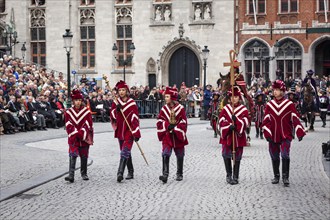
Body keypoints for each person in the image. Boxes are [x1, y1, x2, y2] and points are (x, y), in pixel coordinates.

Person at [262, 80, 306, 187]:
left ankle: (285, 176)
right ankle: (276, 175)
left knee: (285, 155)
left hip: (286, 134)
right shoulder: (269, 105)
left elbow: (295, 118)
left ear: (282, 91)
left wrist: (299, 131)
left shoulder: (289, 104)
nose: (275, 92)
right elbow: (266, 121)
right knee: (274, 156)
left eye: (277, 90)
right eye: (274, 90)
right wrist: (267, 134)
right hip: (273, 135)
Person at [110, 81, 141, 183]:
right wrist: (117, 110)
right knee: (126, 151)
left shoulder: (132, 103)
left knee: (125, 151)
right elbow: (112, 116)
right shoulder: (116, 102)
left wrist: (136, 132)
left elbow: (135, 118)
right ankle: (131, 171)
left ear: (127, 91)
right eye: (120, 90)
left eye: (123, 90)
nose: (121, 92)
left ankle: (120, 173)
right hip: (120, 131)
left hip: (129, 131)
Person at [218, 86, 249, 185]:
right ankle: (229, 174)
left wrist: (237, 122)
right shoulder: (226, 109)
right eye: (232, 96)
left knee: (238, 156)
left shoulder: (243, 109)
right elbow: (221, 121)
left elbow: (246, 122)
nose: (233, 98)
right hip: (228, 136)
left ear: (239, 97)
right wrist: (228, 127)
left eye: (236, 96)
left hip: (238, 136)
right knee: (226, 154)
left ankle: (236, 176)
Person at [157, 87, 188, 183]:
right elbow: (159, 120)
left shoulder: (180, 108)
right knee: (165, 153)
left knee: (180, 154)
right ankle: (165, 174)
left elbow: (183, 121)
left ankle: (179, 173)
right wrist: (167, 126)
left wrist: (176, 128)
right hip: (167, 135)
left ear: (172, 98)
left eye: (167, 96)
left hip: (177, 135)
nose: (165, 98)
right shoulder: (164, 109)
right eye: (165, 96)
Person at [64, 89, 94, 183]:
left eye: (80, 100)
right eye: (76, 100)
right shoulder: (69, 112)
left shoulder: (86, 112)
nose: (78, 102)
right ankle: (71, 175)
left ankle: (84, 173)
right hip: (73, 137)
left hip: (83, 137)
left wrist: (82, 132)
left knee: (84, 155)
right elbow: (68, 124)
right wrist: (75, 132)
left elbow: (88, 124)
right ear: (73, 101)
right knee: (73, 154)